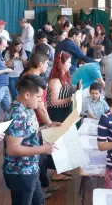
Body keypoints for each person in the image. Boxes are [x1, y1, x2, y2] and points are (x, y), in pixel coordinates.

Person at [3, 74, 57, 205]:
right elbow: (12, 149)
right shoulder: (18, 113)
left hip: (30, 168)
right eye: (38, 97)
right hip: (20, 171)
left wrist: (47, 127)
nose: (40, 101)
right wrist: (43, 149)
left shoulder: (27, 108)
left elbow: (27, 132)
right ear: (27, 95)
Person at [46, 52, 74, 181]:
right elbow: (54, 101)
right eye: (68, 62)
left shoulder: (65, 77)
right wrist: (70, 99)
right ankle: (57, 172)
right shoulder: (55, 81)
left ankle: (61, 169)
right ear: (60, 64)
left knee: (63, 142)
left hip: (64, 112)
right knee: (57, 142)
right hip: (56, 113)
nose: (70, 65)